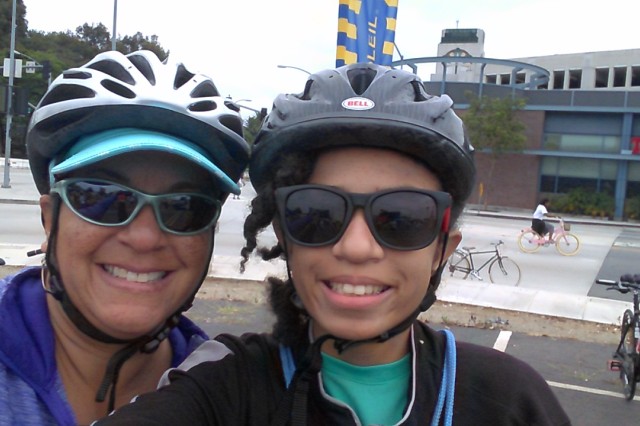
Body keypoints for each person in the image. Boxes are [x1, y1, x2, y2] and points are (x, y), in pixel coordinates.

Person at [95, 63, 570, 425]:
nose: (358, 247)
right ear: (284, 236)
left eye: (402, 217)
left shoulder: (506, 400)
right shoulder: (226, 386)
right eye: (316, 214)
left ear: (442, 249)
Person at [0, 50, 249, 425]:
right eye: (101, 198)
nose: (145, 238)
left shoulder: (225, 390)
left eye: (184, 207)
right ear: (50, 219)